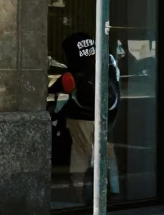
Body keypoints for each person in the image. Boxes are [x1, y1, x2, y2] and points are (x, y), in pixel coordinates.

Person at [48, 31, 121, 203]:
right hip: (106, 115)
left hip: (80, 115)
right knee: (108, 152)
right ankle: (114, 189)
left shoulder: (74, 67)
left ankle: (78, 193)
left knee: (80, 153)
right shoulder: (106, 58)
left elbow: (61, 87)